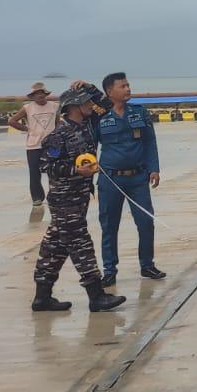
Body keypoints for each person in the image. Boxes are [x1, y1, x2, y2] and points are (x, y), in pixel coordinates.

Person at [32, 83, 126, 313]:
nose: (89, 105)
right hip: (65, 201)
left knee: (54, 247)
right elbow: (47, 166)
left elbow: (107, 105)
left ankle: (42, 297)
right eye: (84, 102)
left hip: (80, 197)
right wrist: (76, 171)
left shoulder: (88, 125)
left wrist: (89, 87)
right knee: (80, 244)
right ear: (73, 106)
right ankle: (96, 295)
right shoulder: (58, 135)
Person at [94, 72, 165, 287]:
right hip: (111, 180)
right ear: (109, 92)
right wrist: (85, 86)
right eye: (122, 86)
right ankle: (109, 270)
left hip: (138, 179)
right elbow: (89, 145)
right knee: (109, 225)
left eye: (128, 85)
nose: (128, 89)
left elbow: (150, 142)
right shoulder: (99, 117)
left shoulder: (139, 113)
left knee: (145, 222)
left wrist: (154, 168)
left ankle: (147, 264)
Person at [8, 81, 60, 205]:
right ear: (32, 96)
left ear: (45, 94)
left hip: (52, 144)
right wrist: (27, 129)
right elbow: (12, 121)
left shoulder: (54, 106)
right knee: (34, 172)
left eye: (42, 94)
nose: (40, 97)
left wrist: (57, 134)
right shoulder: (27, 108)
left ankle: (56, 194)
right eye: (37, 95)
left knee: (55, 170)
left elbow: (57, 121)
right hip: (34, 145)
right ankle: (37, 197)